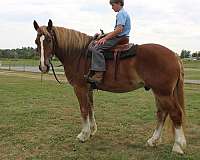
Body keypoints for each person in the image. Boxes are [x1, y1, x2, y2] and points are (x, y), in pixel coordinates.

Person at [87, 0, 131, 84]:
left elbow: (119, 30)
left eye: (113, 5)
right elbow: (117, 30)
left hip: (120, 37)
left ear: (119, 3)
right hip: (122, 37)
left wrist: (105, 38)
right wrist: (102, 35)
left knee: (96, 48)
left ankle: (98, 75)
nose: (112, 8)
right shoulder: (124, 13)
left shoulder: (120, 14)